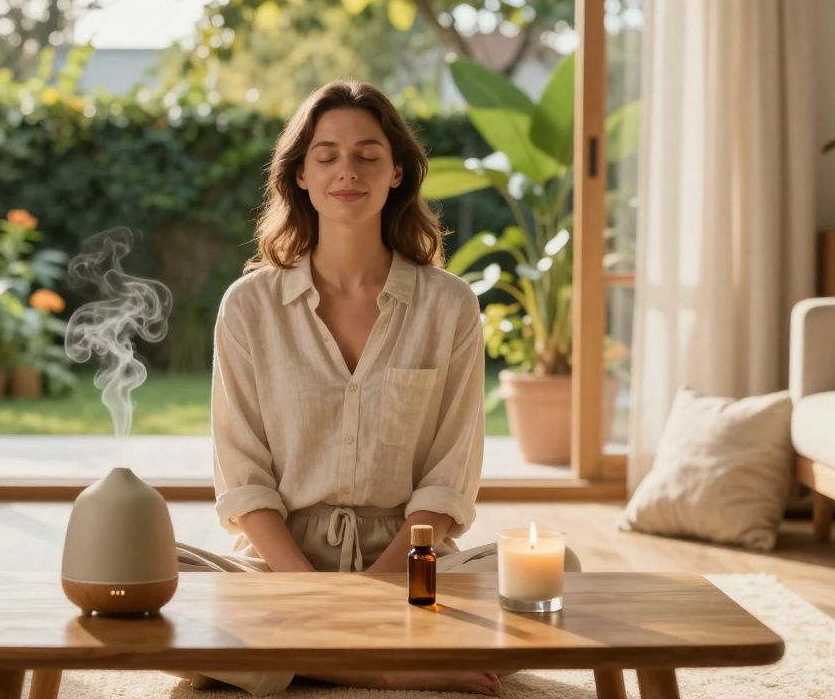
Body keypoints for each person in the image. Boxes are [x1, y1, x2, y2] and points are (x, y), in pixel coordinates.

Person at [170, 80, 580, 697]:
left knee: (555, 574)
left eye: (368, 154)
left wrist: (370, 595)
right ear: (300, 176)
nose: (347, 172)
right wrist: (315, 594)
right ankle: (385, 666)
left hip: (413, 563)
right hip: (280, 568)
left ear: (397, 174)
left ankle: (294, 658)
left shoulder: (450, 305)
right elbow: (244, 478)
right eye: (326, 155)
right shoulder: (249, 306)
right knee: (152, 573)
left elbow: (448, 478)